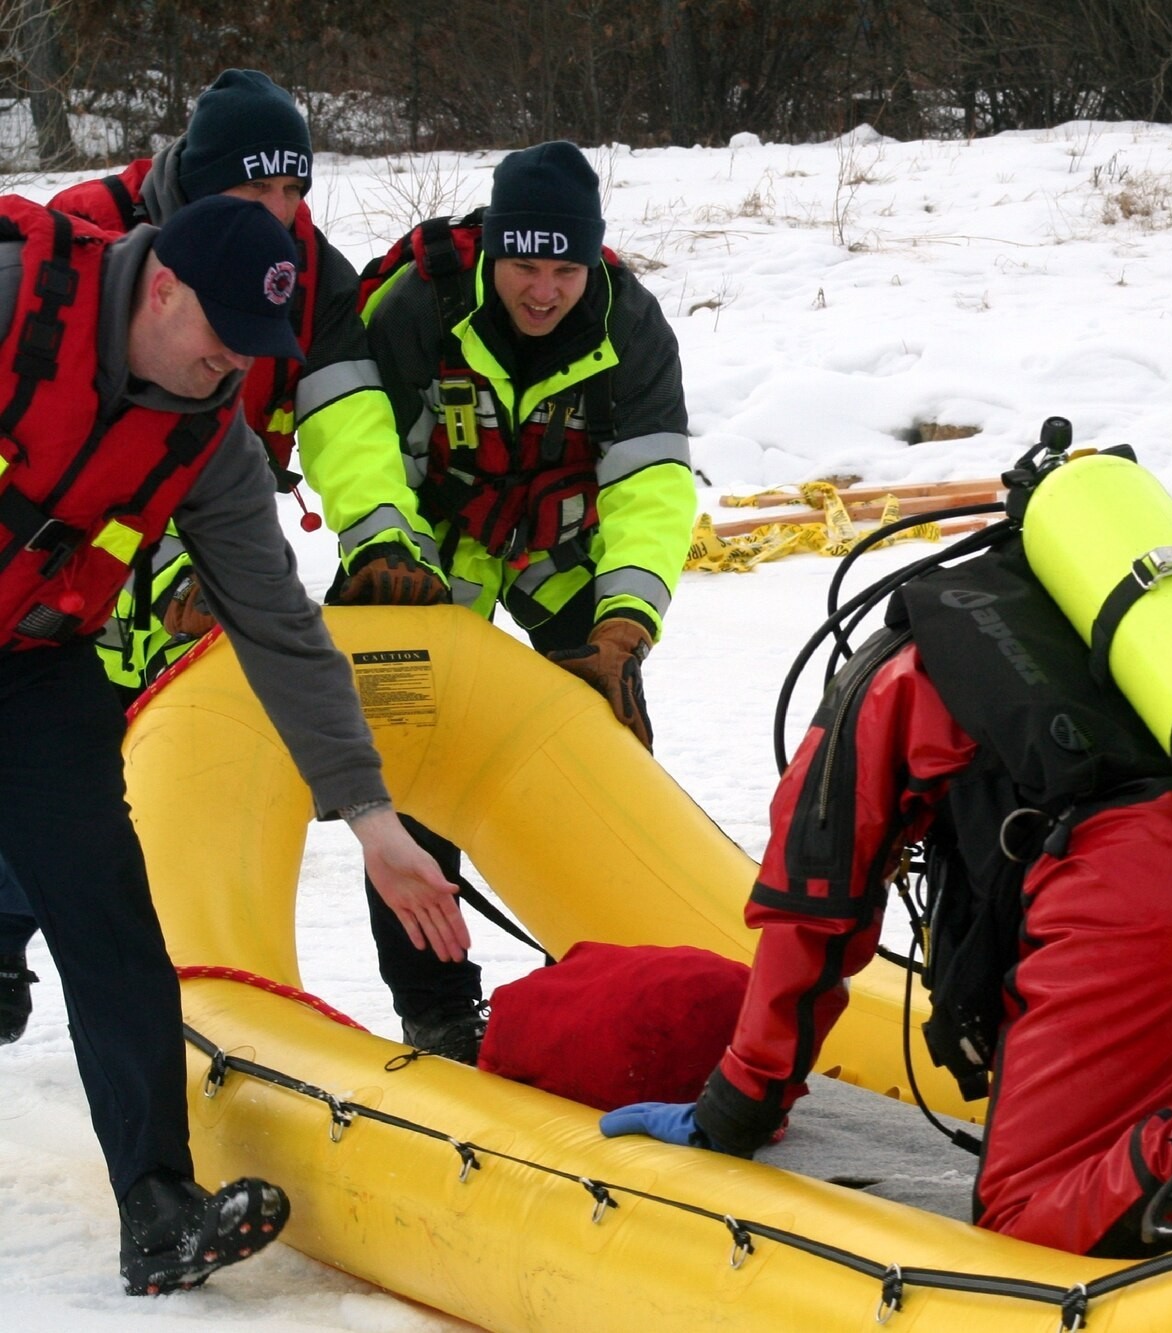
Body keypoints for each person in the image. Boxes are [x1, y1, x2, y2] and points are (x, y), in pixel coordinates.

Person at [601, 541, 1172, 1256]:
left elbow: (816, 894)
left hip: (1134, 900)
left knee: (1022, 1221)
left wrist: (740, 1103)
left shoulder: (933, 644)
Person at [0, 191, 470, 1292]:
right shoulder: (19, 310)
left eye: (250, 356)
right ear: (159, 283)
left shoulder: (202, 434)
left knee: (110, 910)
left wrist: (370, 815)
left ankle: (158, 1205)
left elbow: (278, 623)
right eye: (220, 342)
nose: (229, 372)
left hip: (30, 660)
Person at [0, 69, 445, 1045]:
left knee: (91, 777)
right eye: (255, 194)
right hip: (77, 533)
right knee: (76, 731)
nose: (281, 216)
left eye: (294, 193)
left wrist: (378, 531)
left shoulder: (309, 276)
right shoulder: (88, 230)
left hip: (223, 519)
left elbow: (347, 416)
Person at [319, 140, 696, 1061]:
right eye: (524, 265)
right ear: (491, 252)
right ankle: (438, 1010)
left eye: (564, 268)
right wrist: (380, 550)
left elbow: (652, 492)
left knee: (603, 755)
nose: (542, 290)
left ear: (593, 260)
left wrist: (623, 628)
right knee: (412, 778)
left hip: (558, 558)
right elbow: (362, 448)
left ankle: (616, 982)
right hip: (429, 558)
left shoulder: (632, 326)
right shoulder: (418, 309)